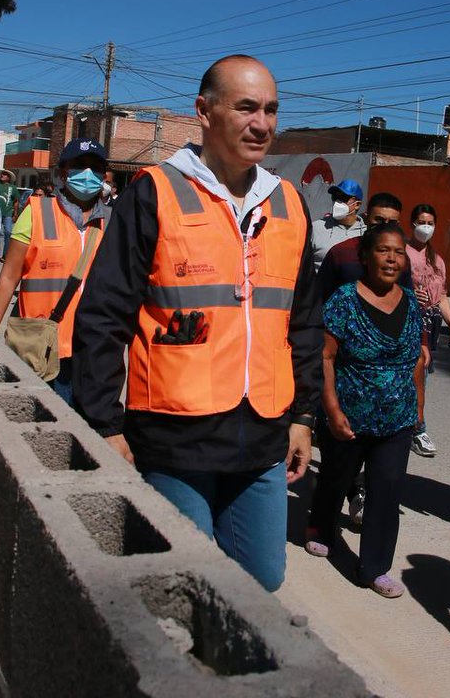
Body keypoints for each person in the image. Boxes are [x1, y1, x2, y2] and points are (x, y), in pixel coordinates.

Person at [71, 54, 320, 592]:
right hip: (173, 435)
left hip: (261, 434)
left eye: (272, 110)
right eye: (247, 107)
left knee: (262, 582)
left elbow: (302, 322)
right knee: (184, 582)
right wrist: (105, 423)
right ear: (204, 112)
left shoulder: (289, 204)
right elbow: (103, 315)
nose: (263, 124)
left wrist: (303, 415)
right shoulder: (154, 192)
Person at [304, 223, 424, 598]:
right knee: (337, 478)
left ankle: (374, 567)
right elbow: (325, 357)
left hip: (397, 419)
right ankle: (321, 527)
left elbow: (417, 361)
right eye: (384, 251)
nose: (392, 259)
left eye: (398, 252)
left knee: (386, 490)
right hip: (349, 416)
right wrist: (332, 409)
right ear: (365, 256)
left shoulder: (410, 301)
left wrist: (419, 409)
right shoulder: (343, 300)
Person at [0, 140, 111, 404]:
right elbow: (9, 277)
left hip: (92, 348)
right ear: (64, 171)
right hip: (42, 346)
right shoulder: (37, 213)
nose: (88, 174)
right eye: (79, 166)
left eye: (95, 167)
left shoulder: (111, 221)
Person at [314, 191, 411, 526]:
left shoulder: (401, 260)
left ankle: (362, 498)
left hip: (388, 388)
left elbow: (409, 307)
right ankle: (326, 514)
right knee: (339, 460)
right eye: (379, 220)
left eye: (392, 223)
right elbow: (318, 305)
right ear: (367, 217)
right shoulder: (341, 255)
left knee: (381, 464)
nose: (385, 227)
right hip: (344, 377)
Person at [405, 203, 450, 458]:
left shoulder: (437, 259)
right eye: (421, 222)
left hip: (431, 323)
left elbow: (443, 296)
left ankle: (412, 426)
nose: (425, 227)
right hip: (409, 322)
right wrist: (408, 293)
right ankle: (418, 429)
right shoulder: (403, 252)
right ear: (412, 224)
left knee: (422, 377)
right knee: (417, 378)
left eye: (430, 222)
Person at [310, 179, 365, 271]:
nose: (337, 202)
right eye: (335, 197)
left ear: (357, 205)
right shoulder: (316, 228)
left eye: (344, 198)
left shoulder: (365, 233)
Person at [0, 170, 17, 262]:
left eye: (5, 175)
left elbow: (16, 202)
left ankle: (6, 255)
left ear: (9, 178)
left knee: (8, 232)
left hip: (8, 213)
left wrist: (15, 214)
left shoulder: (13, 188)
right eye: (2, 174)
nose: (3, 175)